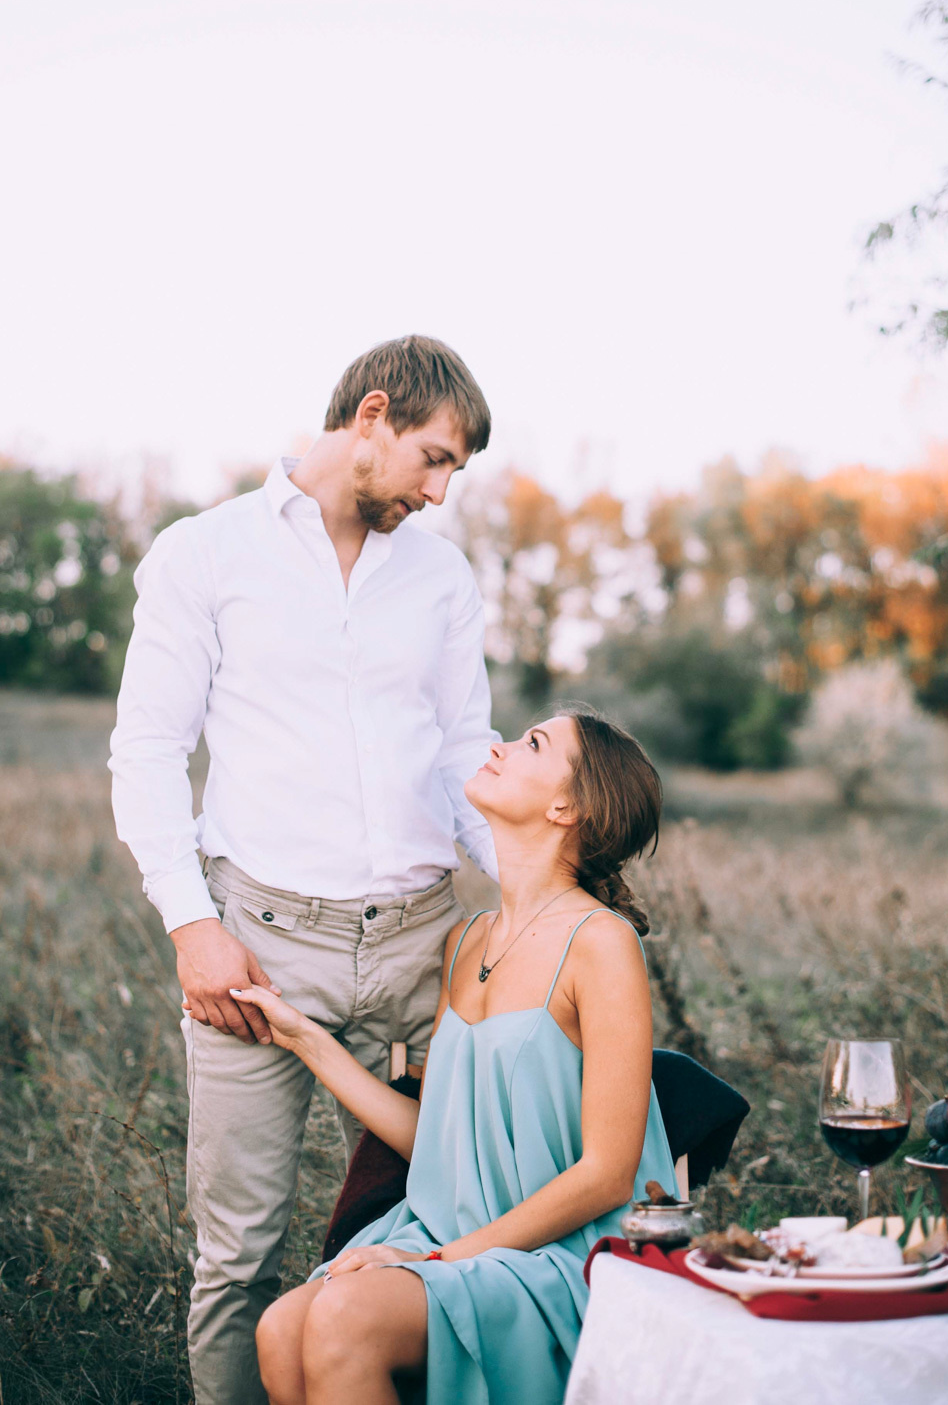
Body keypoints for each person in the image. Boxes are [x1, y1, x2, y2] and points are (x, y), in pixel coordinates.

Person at [108, 336, 498, 1405]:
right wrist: (193, 926)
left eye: (455, 471)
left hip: (430, 950)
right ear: (369, 416)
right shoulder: (208, 554)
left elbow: (468, 747)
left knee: (459, 1227)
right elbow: (146, 750)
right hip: (259, 951)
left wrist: (537, 892)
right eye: (434, 458)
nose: (440, 490)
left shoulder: (442, 573)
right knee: (239, 1258)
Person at [230, 710, 679, 1405]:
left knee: (346, 1320)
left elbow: (607, 1175)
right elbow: (439, 1143)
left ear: (569, 806)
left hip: (561, 1257)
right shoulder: (469, 941)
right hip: (451, 1232)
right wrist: (303, 1038)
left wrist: (436, 1259)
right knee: (282, 1329)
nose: (500, 746)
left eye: (533, 743)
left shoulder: (601, 942)